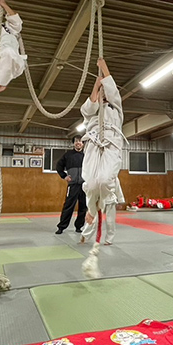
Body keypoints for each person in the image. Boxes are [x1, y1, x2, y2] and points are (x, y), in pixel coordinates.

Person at [81, 58, 125, 225]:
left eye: (107, 91)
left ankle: (107, 200)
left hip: (111, 143)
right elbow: (87, 108)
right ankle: (92, 209)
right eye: (103, 92)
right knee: (91, 183)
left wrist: (104, 69)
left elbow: (114, 92)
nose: (106, 94)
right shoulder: (92, 113)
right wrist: (96, 87)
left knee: (105, 179)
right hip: (93, 143)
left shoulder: (116, 109)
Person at [55, 135, 87, 234]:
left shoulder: (87, 155)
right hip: (73, 185)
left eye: (80, 141)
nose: (78, 143)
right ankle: (61, 227)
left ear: (83, 143)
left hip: (85, 185)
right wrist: (64, 176)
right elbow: (59, 166)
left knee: (83, 207)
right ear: (74, 143)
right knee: (68, 206)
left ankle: (79, 226)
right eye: (76, 141)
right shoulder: (68, 155)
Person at [80, 177, 124, 245]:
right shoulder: (93, 175)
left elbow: (118, 188)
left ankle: (109, 240)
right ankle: (85, 235)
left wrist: (120, 200)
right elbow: (86, 187)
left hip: (110, 199)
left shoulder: (113, 176)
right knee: (93, 219)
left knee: (110, 221)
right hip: (97, 199)